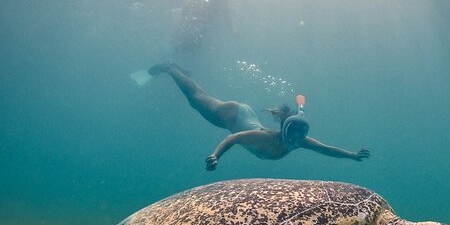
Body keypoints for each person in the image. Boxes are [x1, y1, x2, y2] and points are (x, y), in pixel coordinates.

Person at [147, 62, 371, 171]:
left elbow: (326, 149)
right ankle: (170, 68)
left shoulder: (299, 140)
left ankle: (180, 73)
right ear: (283, 131)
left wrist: (352, 155)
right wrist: (216, 156)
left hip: (245, 115)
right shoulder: (265, 137)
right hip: (232, 115)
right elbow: (233, 138)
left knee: (198, 99)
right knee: (196, 99)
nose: (294, 141)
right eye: (291, 136)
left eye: (299, 137)